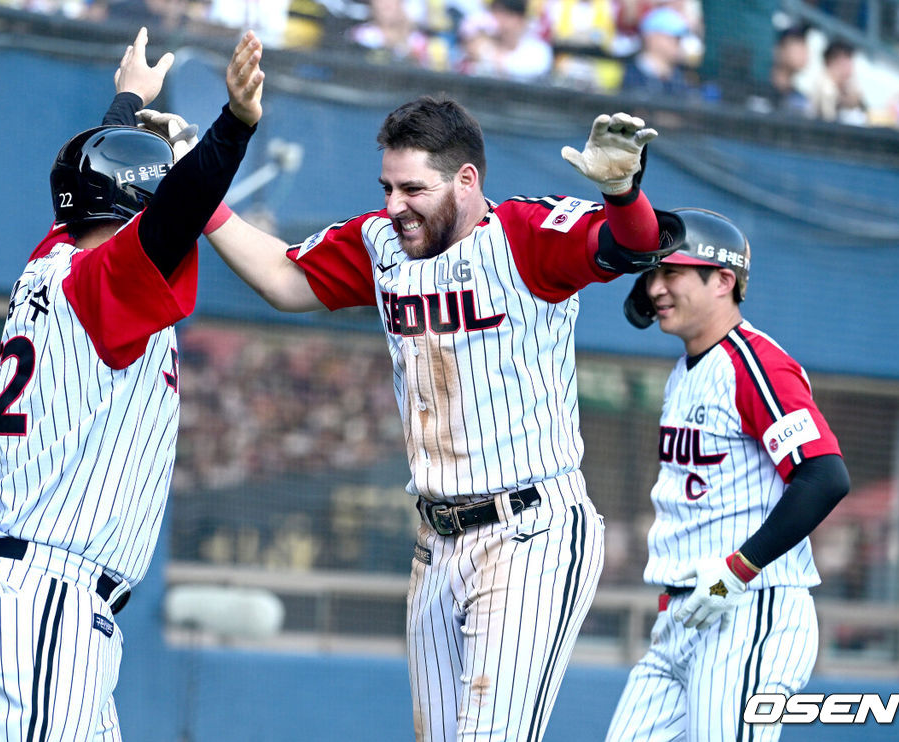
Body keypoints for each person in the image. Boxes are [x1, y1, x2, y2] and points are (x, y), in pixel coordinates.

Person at [194, 40, 683, 735]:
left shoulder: (525, 235)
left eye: (413, 189)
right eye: (386, 188)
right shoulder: (383, 243)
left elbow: (629, 246)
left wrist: (623, 192)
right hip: (436, 537)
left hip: (530, 531)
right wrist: (201, 194)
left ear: (465, 180)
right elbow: (283, 278)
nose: (395, 205)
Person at [0, 28, 265, 741]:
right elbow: (170, 215)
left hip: (35, 602)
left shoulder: (54, 260)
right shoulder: (103, 282)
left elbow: (102, 186)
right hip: (45, 604)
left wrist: (126, 104)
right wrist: (233, 128)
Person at [606, 208, 851, 741]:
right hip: (682, 616)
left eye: (672, 272)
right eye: (653, 274)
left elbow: (824, 476)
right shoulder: (686, 368)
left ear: (723, 280)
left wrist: (738, 570)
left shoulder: (754, 364)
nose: (655, 288)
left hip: (751, 608)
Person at [621, 5, 700, 98]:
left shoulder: (681, 79)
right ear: (653, 38)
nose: (679, 43)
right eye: (675, 38)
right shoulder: (630, 75)